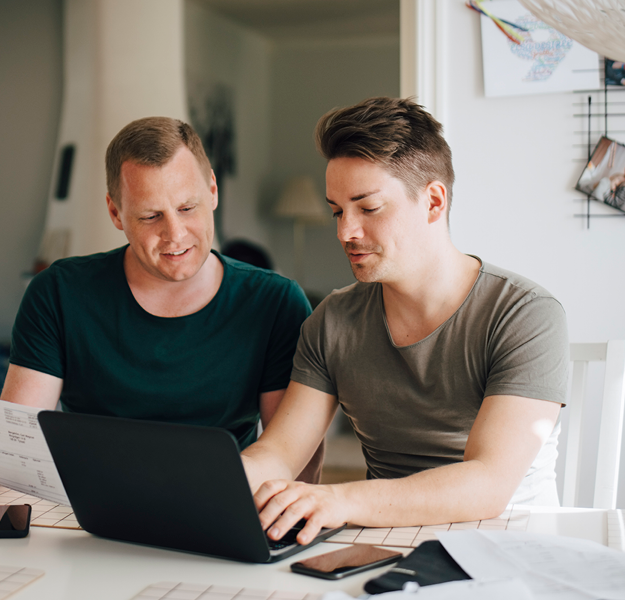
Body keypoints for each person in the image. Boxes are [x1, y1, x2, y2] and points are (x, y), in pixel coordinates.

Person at [0, 117, 321, 497]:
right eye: (151, 216)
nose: (175, 235)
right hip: (89, 512)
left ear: (213, 190)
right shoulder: (59, 293)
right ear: (116, 212)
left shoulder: (275, 303)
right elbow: (16, 444)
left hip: (221, 502)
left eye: (188, 208)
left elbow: (292, 466)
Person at [241, 97, 569, 546]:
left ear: (433, 201)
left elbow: (489, 484)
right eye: (337, 210)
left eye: (368, 208)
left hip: (513, 543)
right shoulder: (332, 321)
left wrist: (339, 500)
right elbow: (279, 452)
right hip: (384, 543)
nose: (345, 232)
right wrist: (213, 484)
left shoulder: (525, 314)